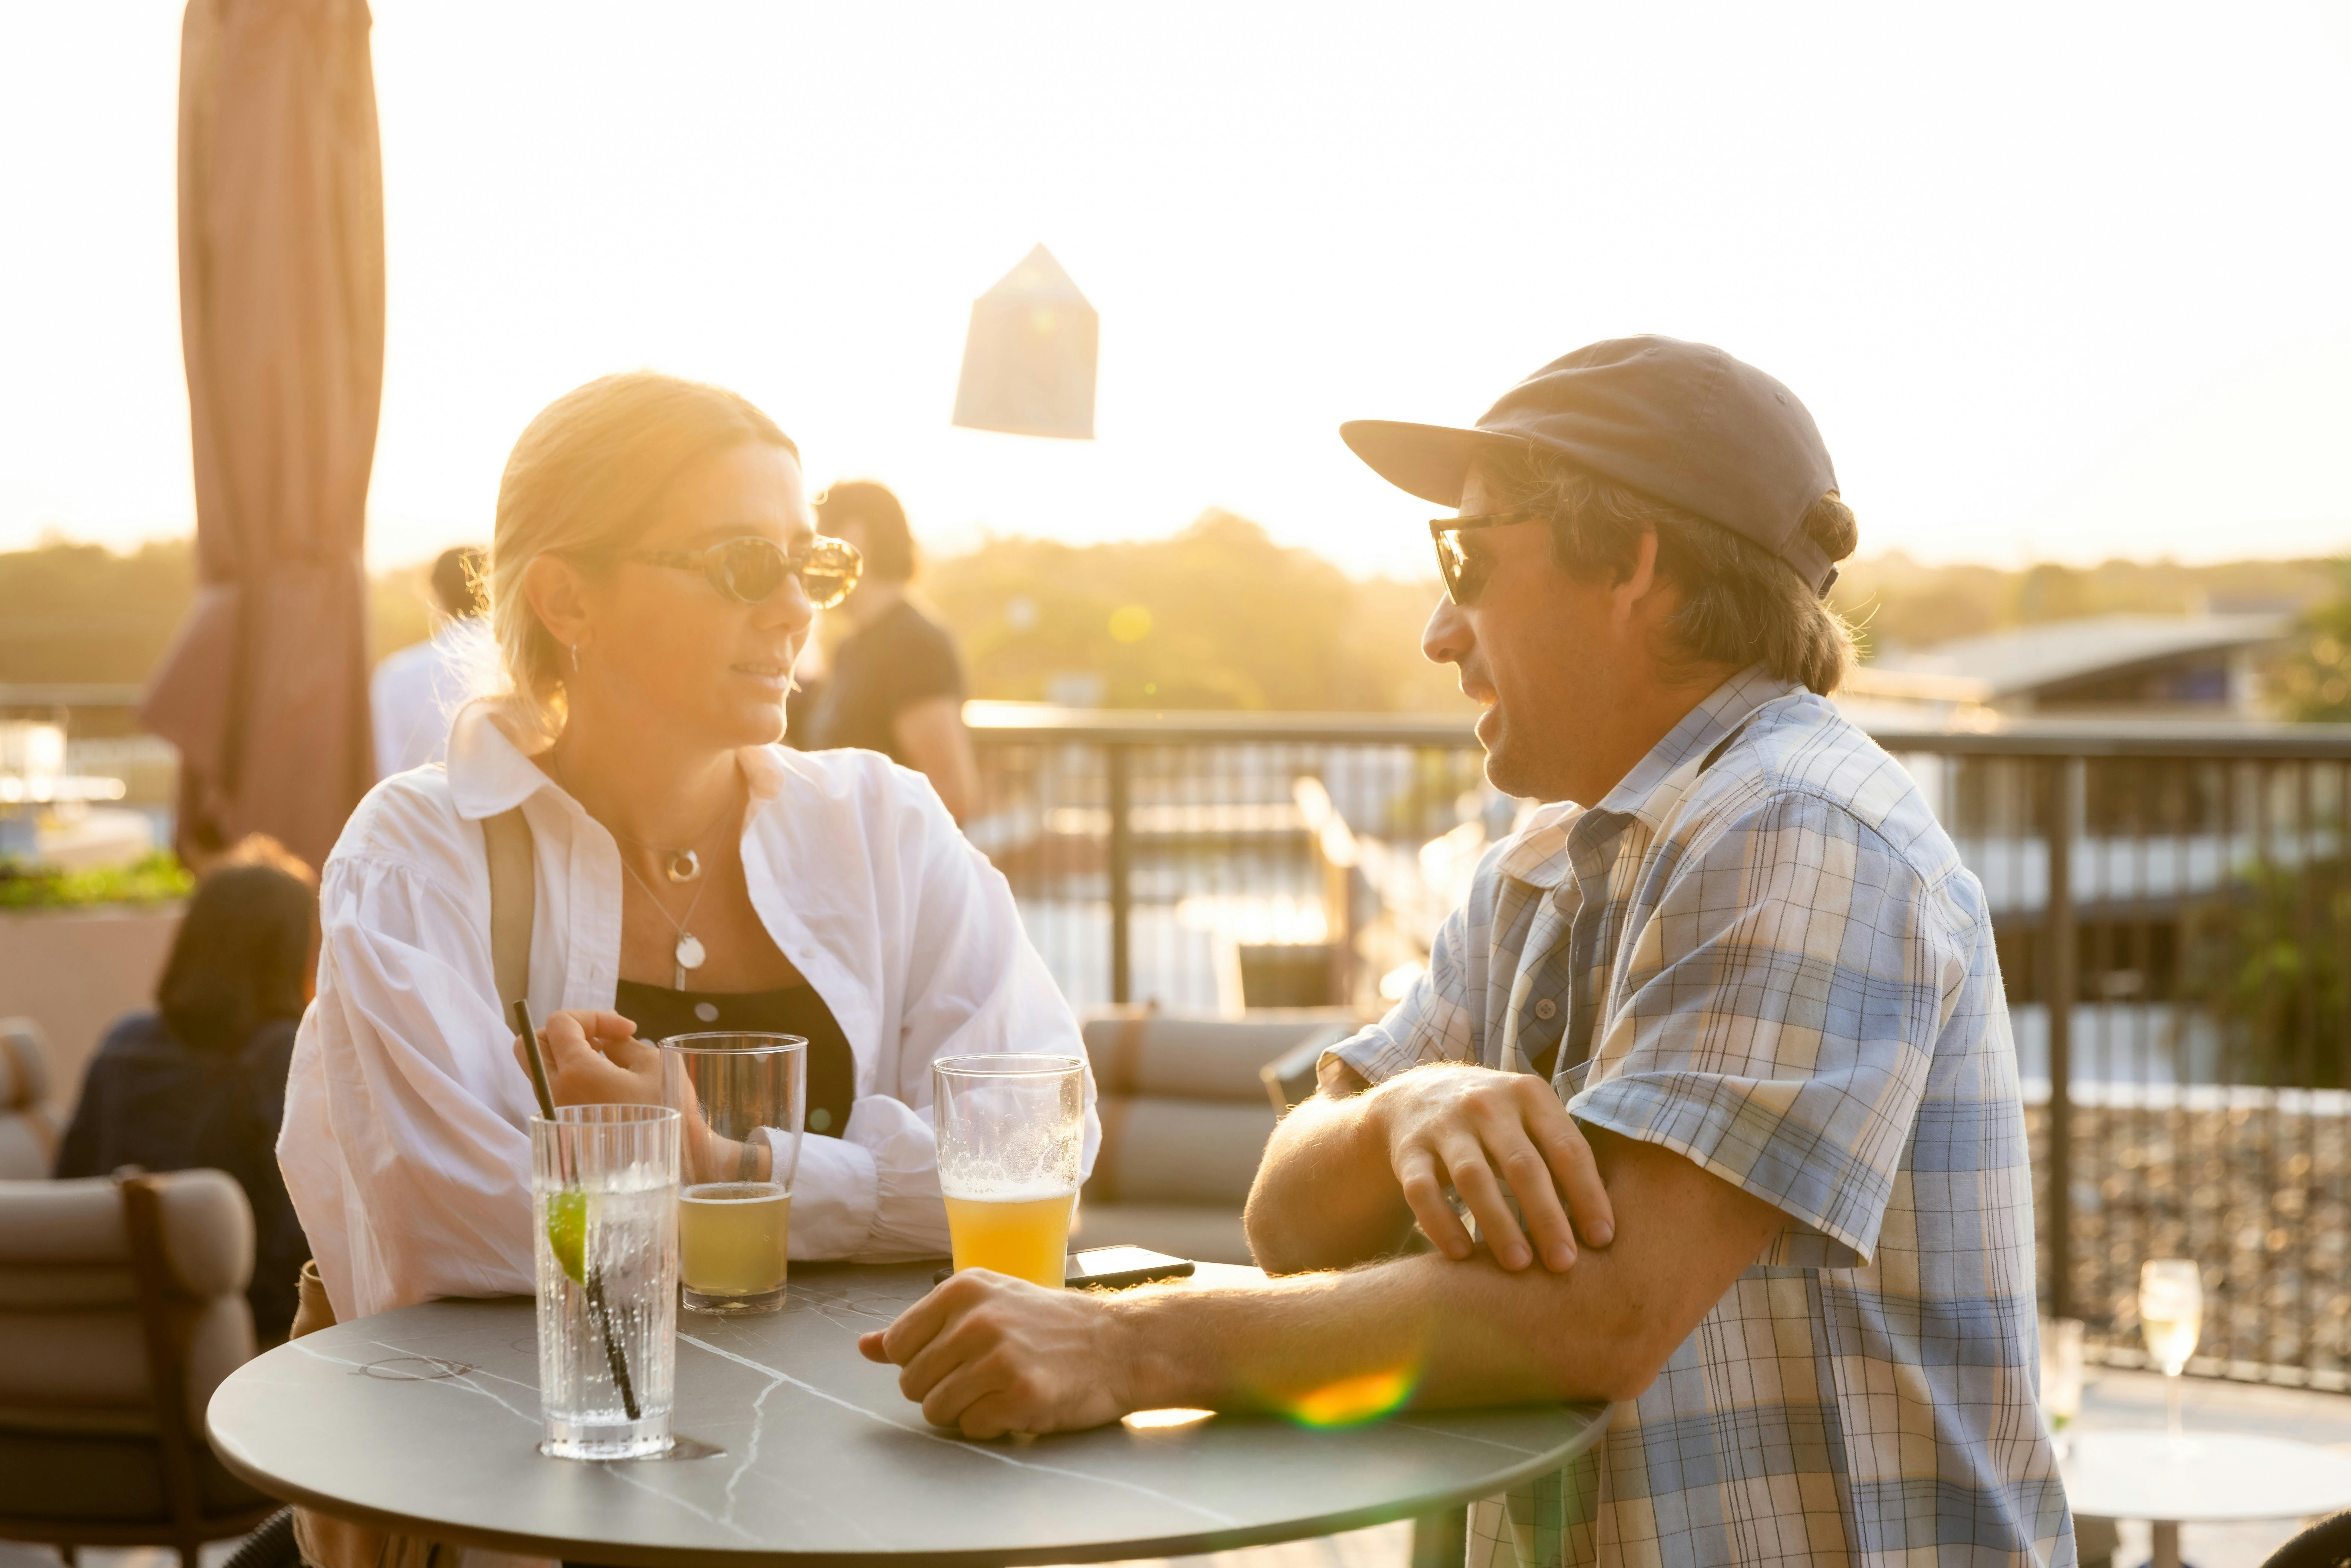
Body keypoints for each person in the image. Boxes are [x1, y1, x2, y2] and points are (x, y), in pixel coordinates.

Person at [857, 338, 2072, 1567]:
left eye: (1467, 555)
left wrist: (1126, 1345)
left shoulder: (1798, 828)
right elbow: (1287, 1216)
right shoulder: (1544, 859)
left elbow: (1608, 1311)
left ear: (1633, 563)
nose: (1440, 629)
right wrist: (1407, 1109)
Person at [278, 372, 1095, 1322]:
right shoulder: (417, 859)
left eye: (811, 563)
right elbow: (452, 1230)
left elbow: (1036, 1153)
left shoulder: (884, 827)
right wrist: (852, 1192)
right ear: (567, 600)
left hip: (857, 1448)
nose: (797, 608)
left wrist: (731, 1163)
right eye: (743, 563)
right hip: (532, 1456)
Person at [57, 836, 317, 1341]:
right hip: (243, 1348)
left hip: (96, 1338)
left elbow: (69, 1187)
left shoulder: (123, 1042)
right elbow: (304, 1240)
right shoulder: (287, 1054)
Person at [800, 480, 980, 821]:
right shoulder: (853, 646)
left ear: (852, 537)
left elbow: (952, 796)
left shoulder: (912, 645)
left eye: (816, 542)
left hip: (882, 872)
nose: (806, 561)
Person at [371, 545, 497, 777]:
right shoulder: (515, 665)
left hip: (422, 812)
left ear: (435, 593)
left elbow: (390, 772)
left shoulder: (395, 675)